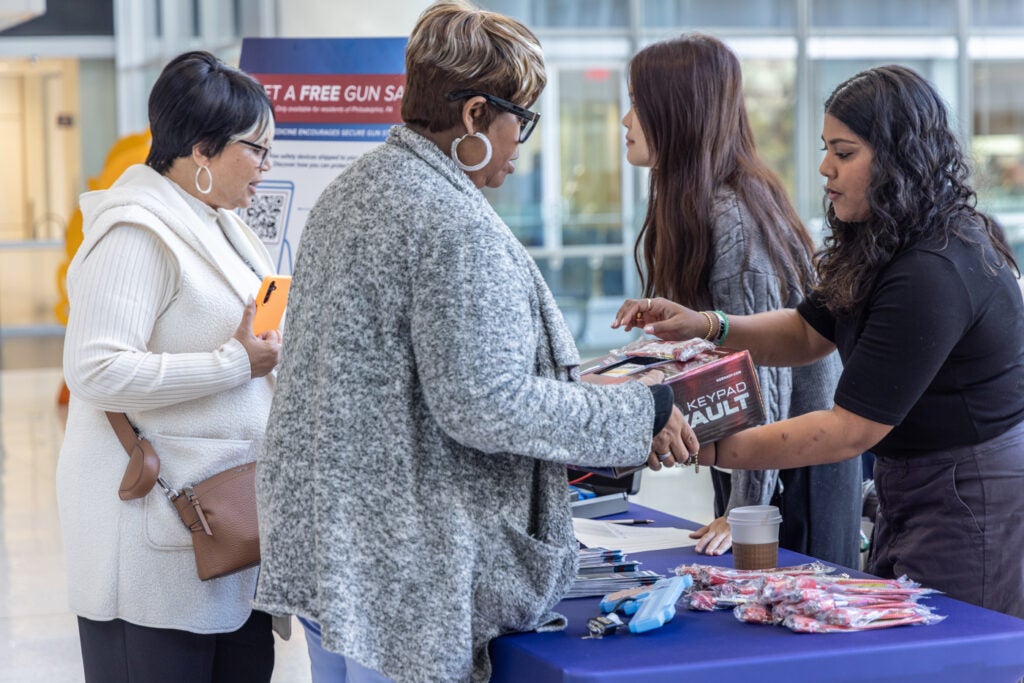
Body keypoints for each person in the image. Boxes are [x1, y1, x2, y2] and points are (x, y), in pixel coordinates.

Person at [252, 2, 698, 681]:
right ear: (473, 118)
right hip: (409, 579)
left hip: (340, 560)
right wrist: (644, 412)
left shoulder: (353, 193)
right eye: (521, 118)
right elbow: (486, 404)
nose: (523, 141)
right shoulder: (453, 226)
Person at [614, 64, 1024, 619]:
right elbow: (808, 333)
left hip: (969, 495)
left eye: (845, 152)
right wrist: (708, 324)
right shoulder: (886, 237)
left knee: (945, 653)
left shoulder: (932, 270)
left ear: (899, 160)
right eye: (826, 148)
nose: (824, 167)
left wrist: (710, 448)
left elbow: (846, 430)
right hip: (913, 482)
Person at [57, 50, 283, 682]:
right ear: (202, 150)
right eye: (256, 149)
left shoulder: (223, 225)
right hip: (155, 533)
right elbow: (96, 371)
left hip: (227, 525)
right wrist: (233, 363)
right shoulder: (135, 233)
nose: (267, 166)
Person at [618, 33, 861, 568]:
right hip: (758, 464)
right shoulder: (698, 202)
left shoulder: (732, 214)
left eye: (636, 102)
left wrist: (746, 508)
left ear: (676, 112)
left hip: (794, 470)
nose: (624, 120)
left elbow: (762, 375)